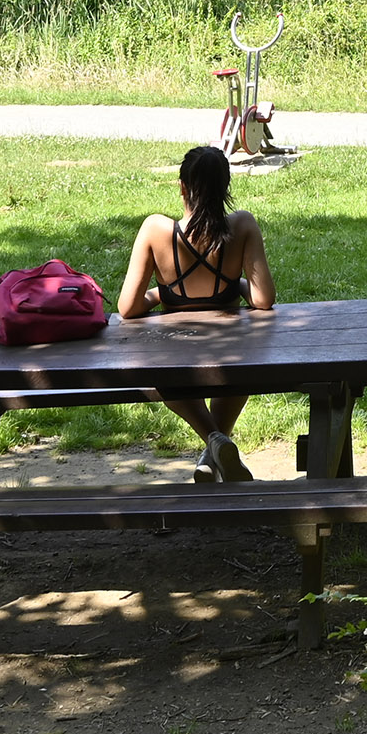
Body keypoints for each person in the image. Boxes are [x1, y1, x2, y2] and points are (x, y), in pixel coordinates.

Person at [114, 144, 277, 483]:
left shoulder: (156, 230)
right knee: (241, 372)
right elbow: (263, 300)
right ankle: (215, 447)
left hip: (175, 351)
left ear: (183, 187)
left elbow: (127, 308)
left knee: (161, 376)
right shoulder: (242, 225)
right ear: (225, 188)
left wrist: (164, 292)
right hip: (231, 349)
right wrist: (236, 285)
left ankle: (213, 442)